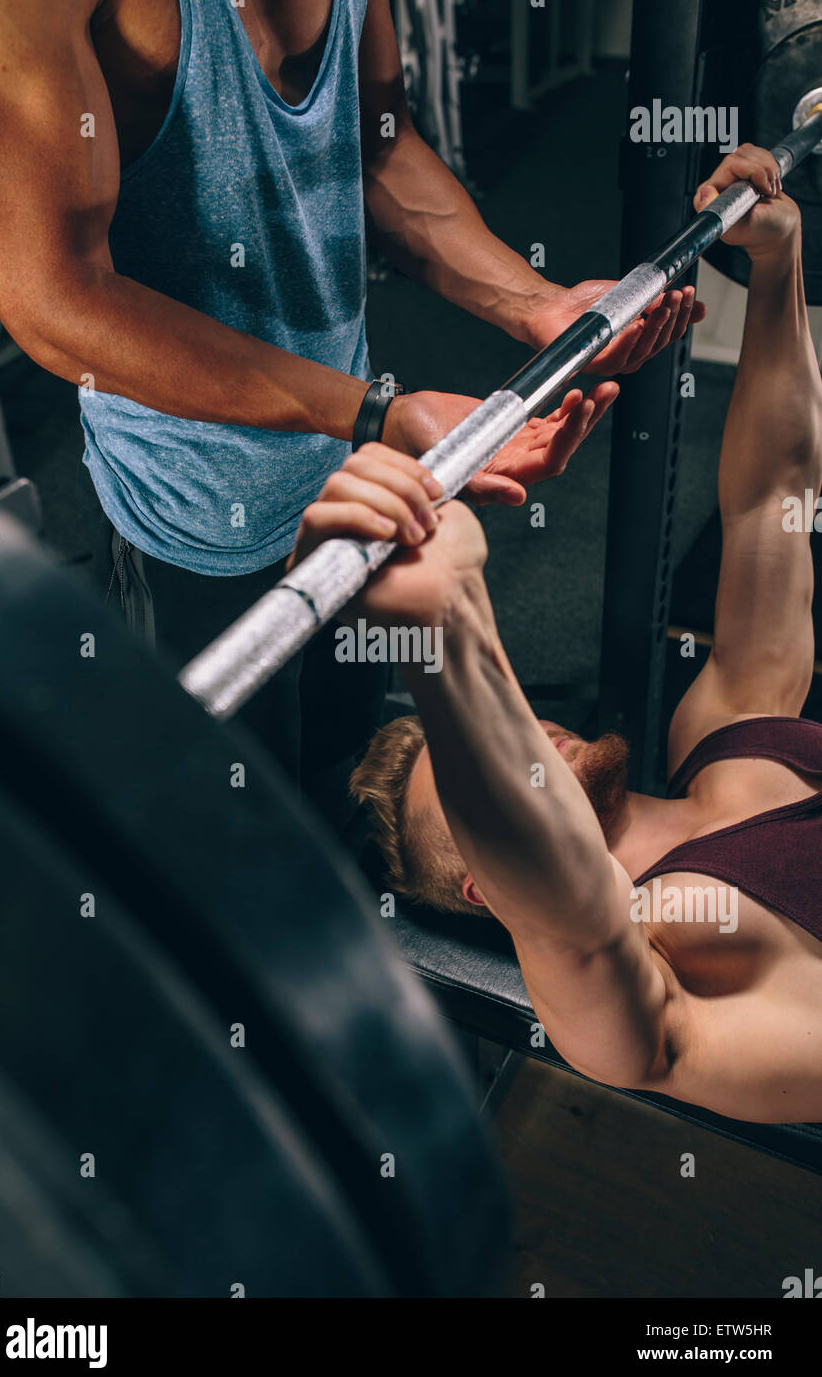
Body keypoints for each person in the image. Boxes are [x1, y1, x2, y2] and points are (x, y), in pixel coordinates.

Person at [0, 0, 700, 823]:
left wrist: (535, 304)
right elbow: (55, 298)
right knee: (225, 834)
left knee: (347, 774)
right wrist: (378, 414)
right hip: (193, 513)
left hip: (349, 473)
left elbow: (380, 151)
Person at [290, 145, 822, 1123]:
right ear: (484, 890)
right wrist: (446, 639)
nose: (527, 733)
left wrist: (777, 264)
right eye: (464, 779)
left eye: (507, 731)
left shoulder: (726, 740)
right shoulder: (655, 964)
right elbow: (571, 920)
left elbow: (772, 501)